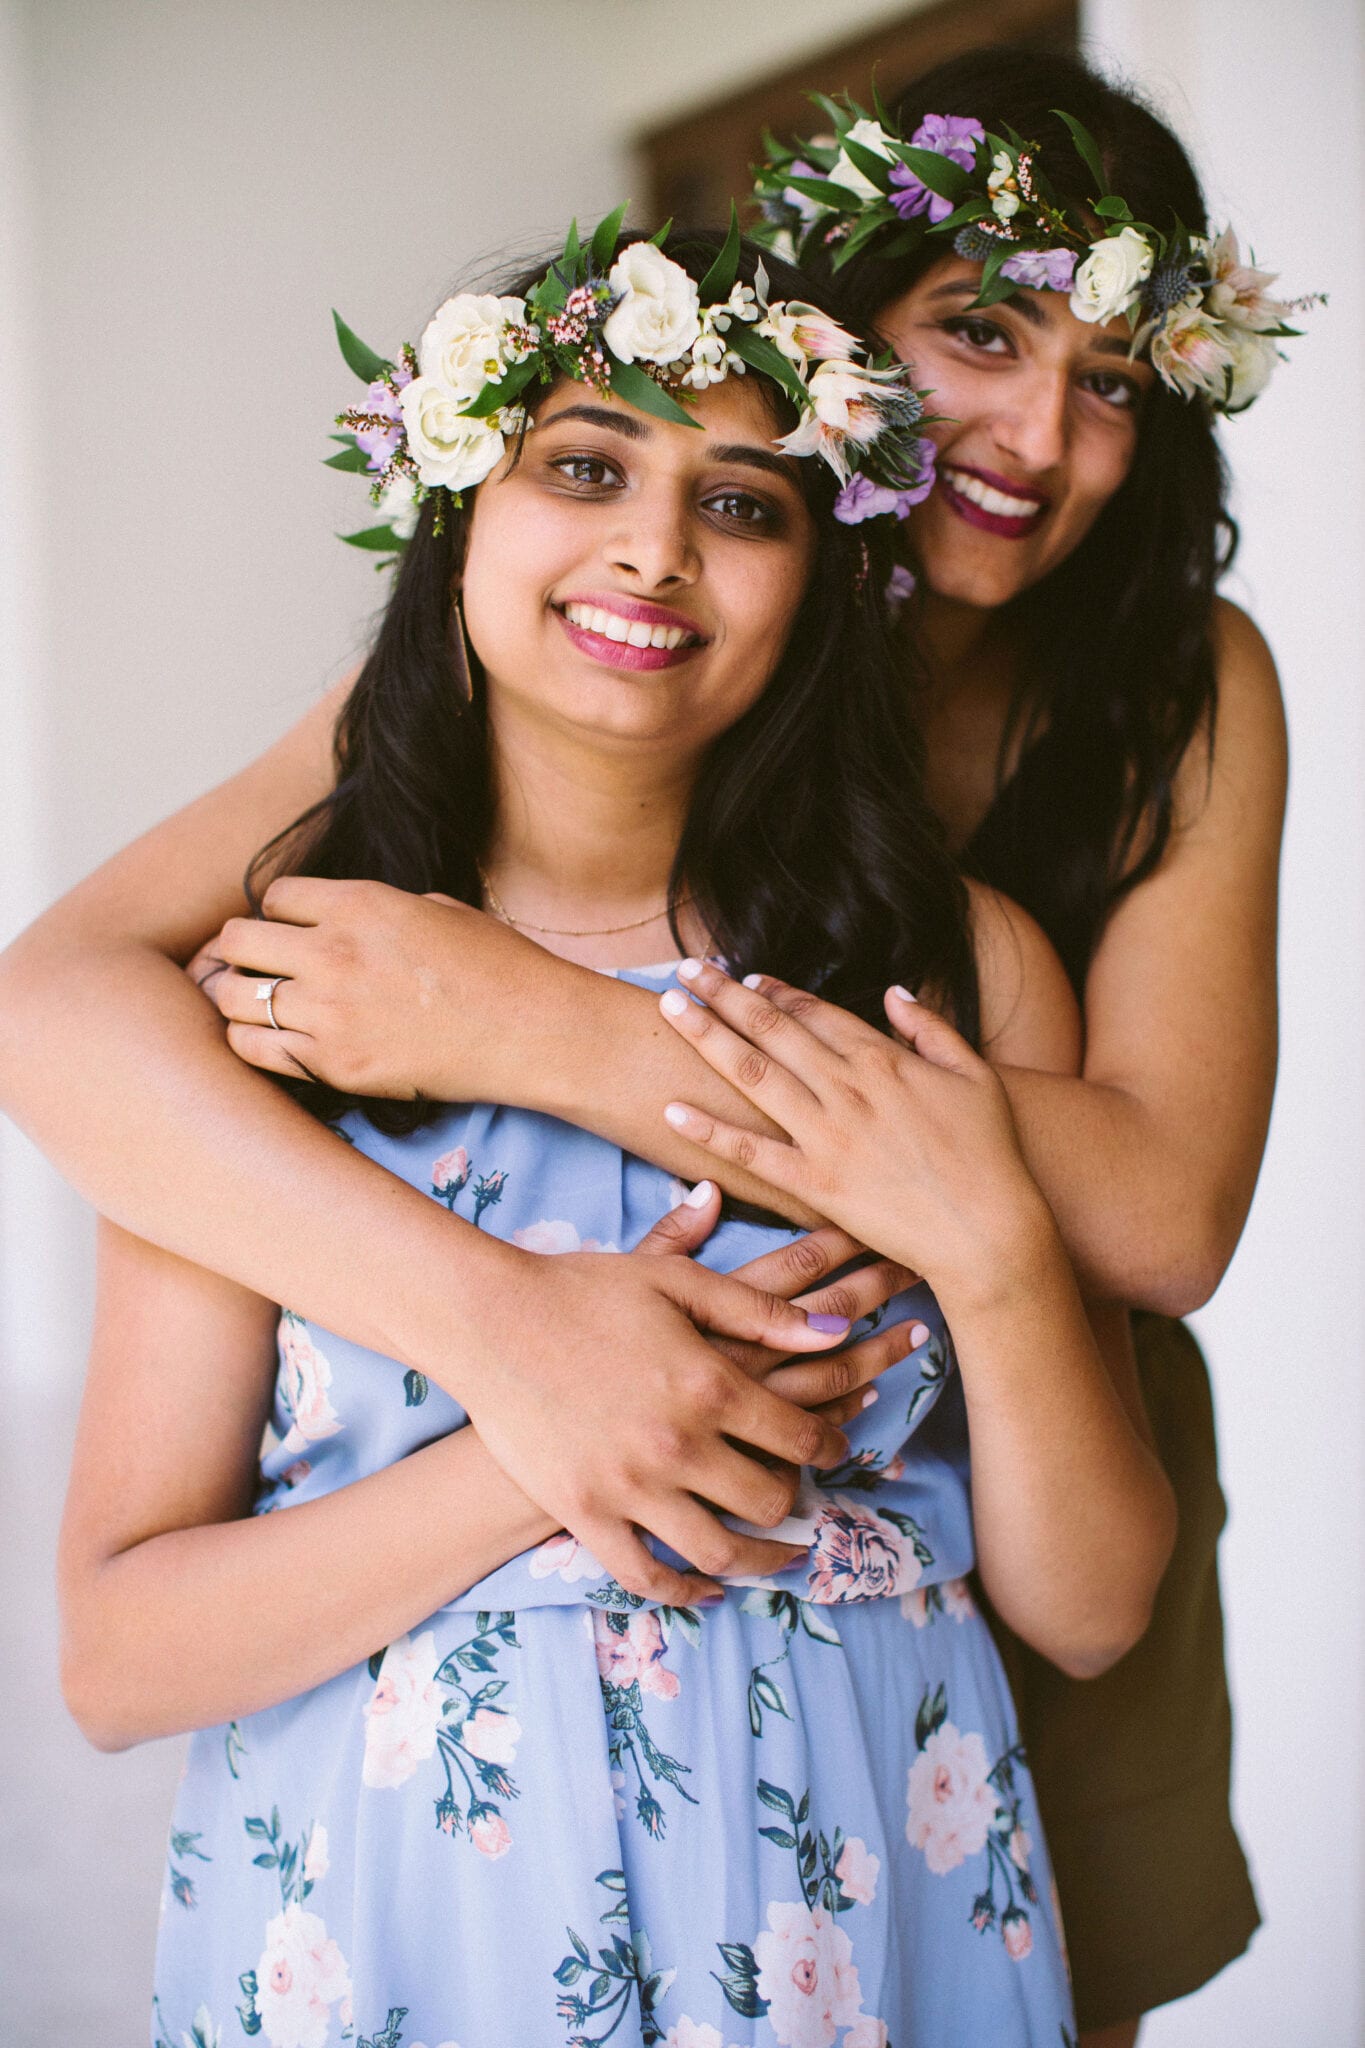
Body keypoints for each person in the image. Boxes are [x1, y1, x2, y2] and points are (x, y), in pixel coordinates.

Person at [0, 49, 1290, 2046]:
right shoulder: (355, 901)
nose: (1036, 428)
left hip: (936, 1683)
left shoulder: (1107, 768)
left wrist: (556, 1032)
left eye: (1115, 375)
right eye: (974, 332)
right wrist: (524, 1347)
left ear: (813, 540)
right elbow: (60, 1010)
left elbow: (1156, 1217)